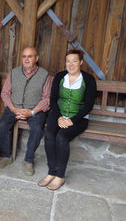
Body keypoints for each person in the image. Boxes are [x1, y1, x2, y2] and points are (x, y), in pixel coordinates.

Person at [38, 49, 97, 190]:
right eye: (68, 61)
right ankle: (51, 172)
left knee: (62, 137)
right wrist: (59, 117)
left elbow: (88, 105)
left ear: (81, 62)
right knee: (49, 135)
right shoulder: (59, 77)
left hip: (79, 117)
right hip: (58, 114)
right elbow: (53, 100)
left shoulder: (88, 80)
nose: (71, 64)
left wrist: (72, 120)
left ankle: (60, 176)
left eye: (74, 61)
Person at [0, 47, 53, 176]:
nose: (26, 59)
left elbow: (47, 98)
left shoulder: (44, 75)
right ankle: (5, 157)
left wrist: (32, 112)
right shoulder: (14, 73)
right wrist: (13, 108)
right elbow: (5, 93)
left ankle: (28, 160)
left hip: (35, 109)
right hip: (14, 107)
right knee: (3, 124)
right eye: (24, 56)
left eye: (30, 56)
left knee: (37, 129)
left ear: (36, 58)